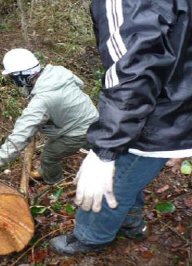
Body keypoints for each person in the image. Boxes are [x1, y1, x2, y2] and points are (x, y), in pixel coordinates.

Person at [49, 0, 192, 255]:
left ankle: (92, 237)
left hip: (157, 115)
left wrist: (105, 149)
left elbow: (133, 72)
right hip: (175, 107)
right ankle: (130, 221)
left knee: (114, 178)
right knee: (131, 175)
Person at [0, 48, 98, 184]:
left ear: (21, 76)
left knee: (49, 155)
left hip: (79, 131)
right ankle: (98, 154)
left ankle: (54, 182)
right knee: (94, 144)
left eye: (13, 77)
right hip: (92, 116)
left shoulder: (42, 100)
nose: (13, 81)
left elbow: (21, 134)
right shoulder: (58, 72)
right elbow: (81, 84)